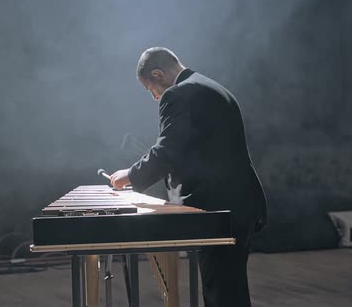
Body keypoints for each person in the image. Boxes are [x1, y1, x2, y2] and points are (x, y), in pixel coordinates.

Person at [110, 47, 267, 307]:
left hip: (221, 208)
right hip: (237, 204)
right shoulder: (209, 86)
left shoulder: (178, 95)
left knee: (223, 295)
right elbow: (191, 151)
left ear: (158, 74)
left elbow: (168, 151)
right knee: (228, 291)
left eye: (151, 90)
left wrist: (129, 175)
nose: (154, 97)